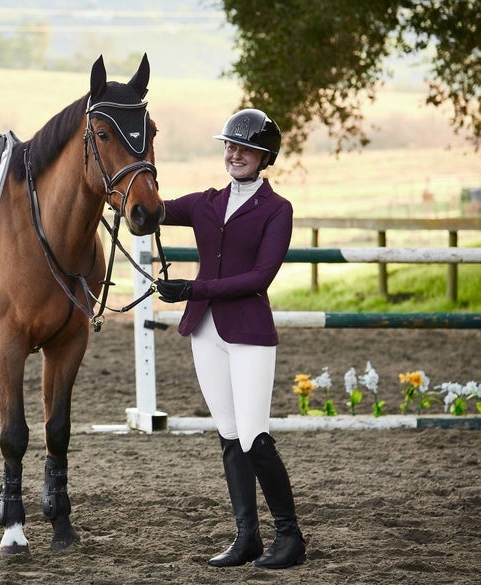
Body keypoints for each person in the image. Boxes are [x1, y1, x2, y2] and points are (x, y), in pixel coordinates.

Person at [155, 108, 306, 570]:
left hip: (249, 334)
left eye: (245, 148)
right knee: (229, 435)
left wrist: (191, 288)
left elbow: (260, 277)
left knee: (255, 436)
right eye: (229, 145)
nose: (234, 153)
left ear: (265, 157)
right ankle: (247, 538)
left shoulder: (277, 210)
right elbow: (152, 211)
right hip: (206, 332)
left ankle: (290, 536)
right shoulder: (206, 202)